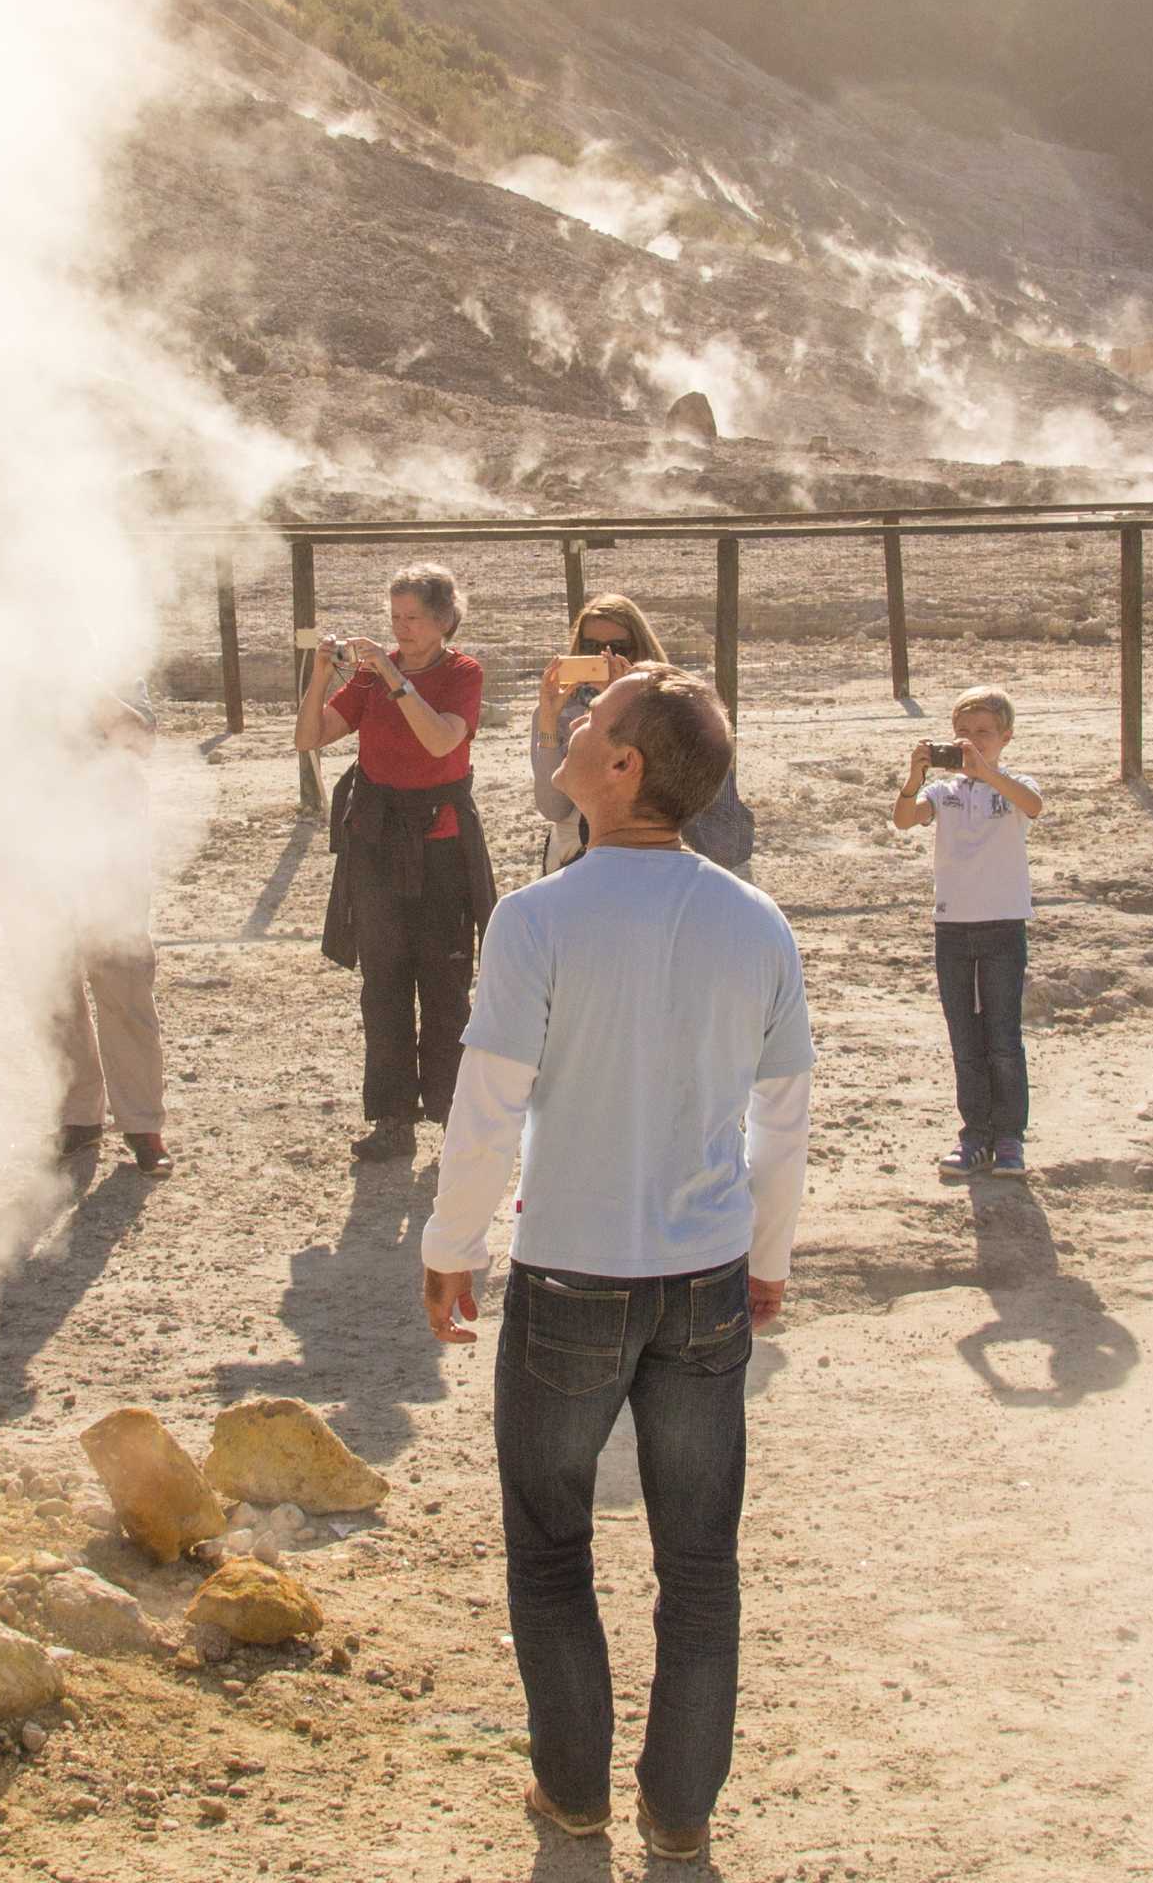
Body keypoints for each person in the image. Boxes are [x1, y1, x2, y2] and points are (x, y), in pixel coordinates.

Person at [420, 664, 815, 1865]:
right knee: (700, 1563)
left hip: (571, 1277)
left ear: (624, 769)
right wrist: (768, 1254)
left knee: (550, 1546)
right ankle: (681, 1808)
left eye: (588, 721)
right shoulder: (757, 920)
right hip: (703, 1278)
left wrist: (451, 1245)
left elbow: (488, 1104)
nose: (568, 726)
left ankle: (574, 1793)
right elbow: (784, 1112)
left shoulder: (540, 918)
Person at [305, 562, 495, 1165]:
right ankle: (392, 1117)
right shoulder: (371, 677)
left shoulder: (462, 671)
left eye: (413, 618)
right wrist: (318, 679)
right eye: (394, 618)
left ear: (443, 620)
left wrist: (393, 679)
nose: (401, 629)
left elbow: (443, 740)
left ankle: (452, 1116)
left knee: (444, 984)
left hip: (440, 844)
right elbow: (311, 735)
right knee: (382, 983)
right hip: (377, 844)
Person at [890, 684, 1045, 1180]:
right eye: (962, 734)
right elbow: (904, 820)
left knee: (1003, 1036)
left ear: (1005, 737)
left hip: (1003, 923)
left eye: (983, 734)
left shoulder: (1012, 784)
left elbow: (1035, 805)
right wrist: (913, 779)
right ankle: (974, 1133)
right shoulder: (944, 792)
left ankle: (1009, 1138)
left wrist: (988, 773)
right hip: (953, 925)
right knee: (965, 1039)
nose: (971, 742)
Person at [529, 592, 755, 876]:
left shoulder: (677, 707)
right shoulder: (560, 712)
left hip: (668, 854)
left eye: (617, 646)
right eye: (591, 646)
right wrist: (548, 721)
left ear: (640, 646)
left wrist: (627, 707)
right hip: (580, 856)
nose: (604, 656)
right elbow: (554, 808)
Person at [54, 688, 169, 1170]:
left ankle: (143, 1125)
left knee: (124, 982)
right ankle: (80, 1115)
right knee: (51, 988)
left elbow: (140, 740)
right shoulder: (10, 667)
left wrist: (85, 684)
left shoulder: (116, 666)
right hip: (29, 846)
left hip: (111, 851)